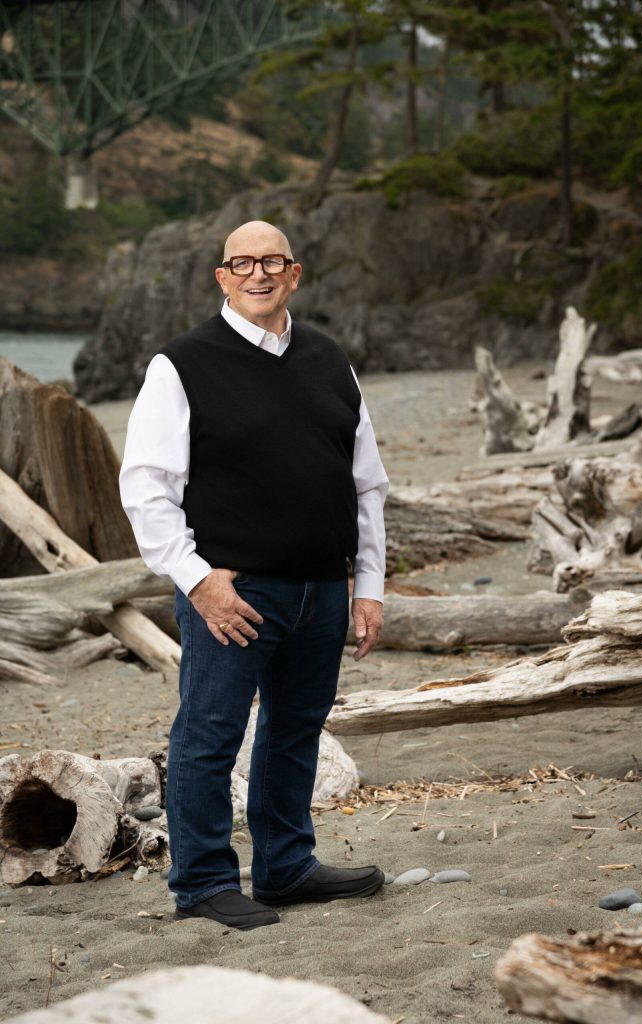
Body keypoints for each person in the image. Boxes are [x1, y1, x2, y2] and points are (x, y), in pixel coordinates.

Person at [119, 220, 389, 931]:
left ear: (294, 273)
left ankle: (284, 868)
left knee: (294, 730)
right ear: (222, 277)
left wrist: (368, 586)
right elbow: (145, 490)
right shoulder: (180, 365)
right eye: (242, 263)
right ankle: (203, 882)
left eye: (271, 261)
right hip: (234, 594)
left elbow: (366, 486)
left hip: (321, 589)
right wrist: (199, 581)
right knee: (207, 735)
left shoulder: (330, 359)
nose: (257, 273)